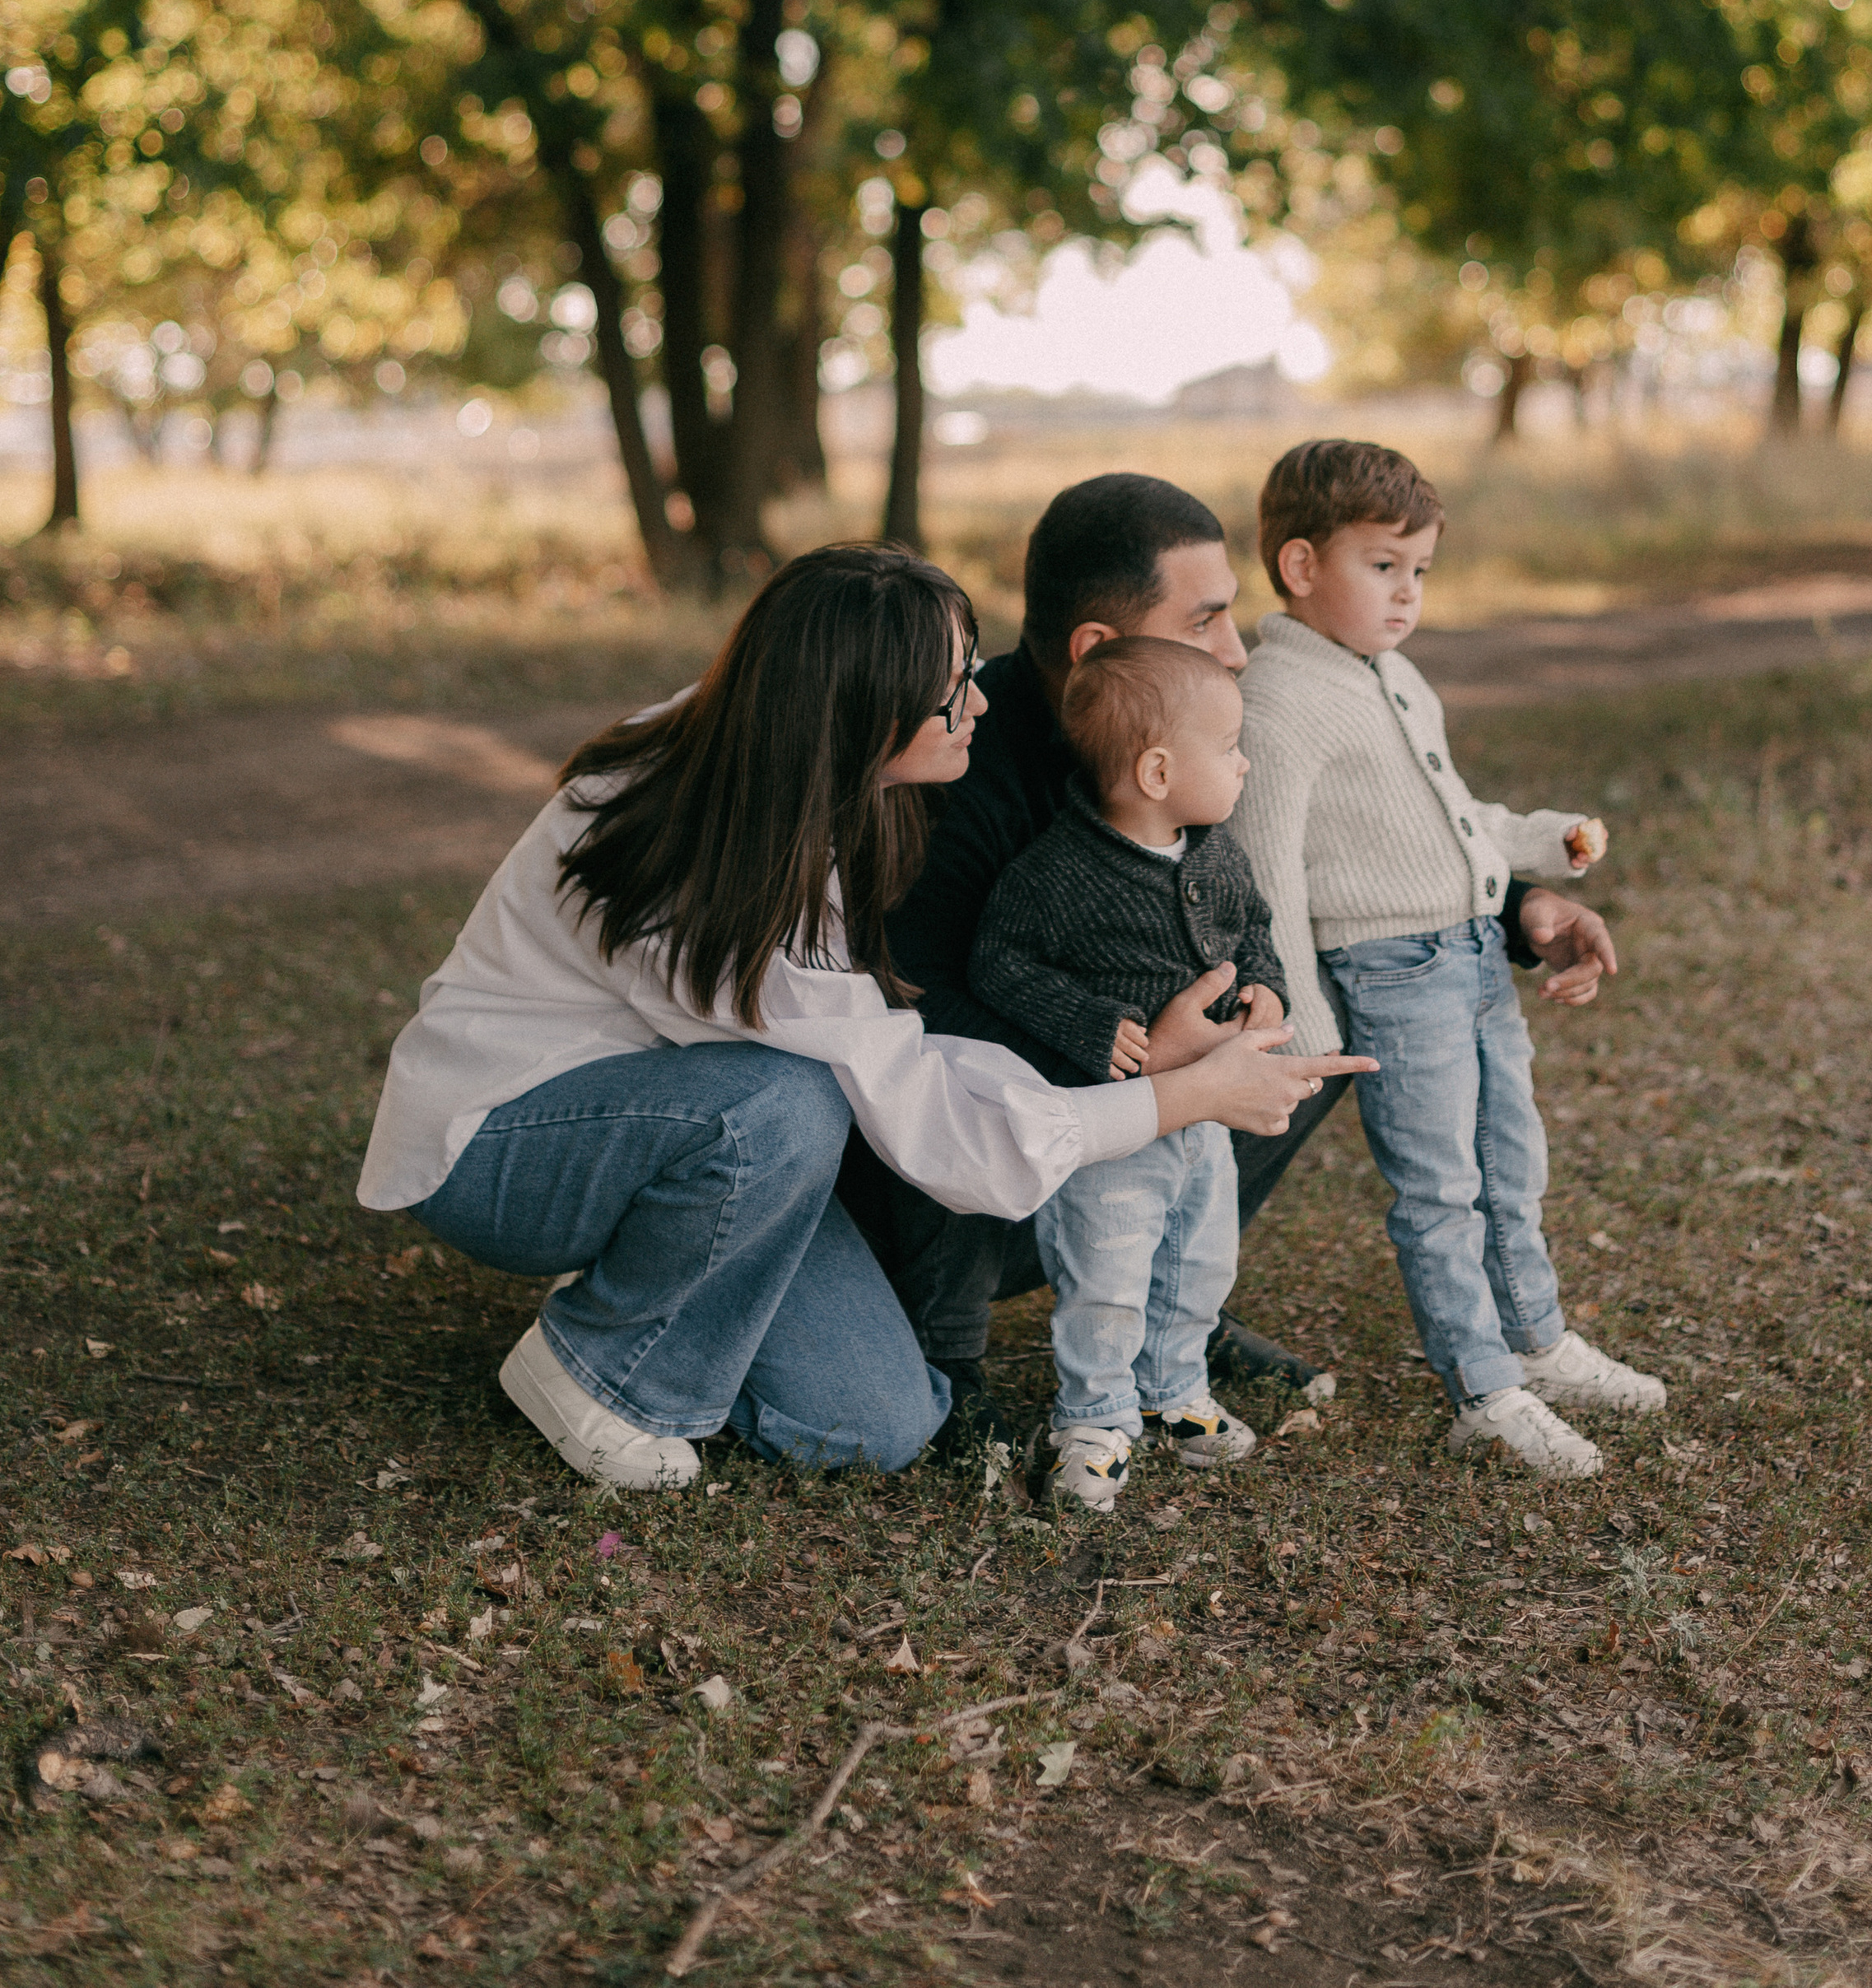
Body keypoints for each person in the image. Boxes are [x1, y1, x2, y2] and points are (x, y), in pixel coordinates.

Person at [356, 541, 1365, 1492]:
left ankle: (658, 1292)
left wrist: (1149, 1069)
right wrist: (1173, 1096)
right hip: (502, 1146)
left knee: (877, 1423)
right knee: (786, 1104)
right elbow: (923, 1116)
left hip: (683, 1129)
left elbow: (903, 1048)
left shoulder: (801, 776)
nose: (979, 703)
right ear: (860, 712)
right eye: (951, 693)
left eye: (971, 670)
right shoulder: (709, 854)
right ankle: (605, 1371)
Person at [850, 472, 1615, 1449]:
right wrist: (1134, 1058)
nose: (1236, 650)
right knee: (958, 1067)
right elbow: (919, 1013)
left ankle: (1182, 1311)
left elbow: (1337, 863)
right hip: (984, 1136)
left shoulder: (1197, 734)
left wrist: (1519, 906)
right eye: (1206, 619)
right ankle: (946, 1356)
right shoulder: (959, 771)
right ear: (1099, 649)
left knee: (1312, 1012)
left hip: (1152, 1098)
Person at [1231, 439, 1668, 1479]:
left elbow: (1447, 818)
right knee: (1440, 1190)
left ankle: (1538, 1339)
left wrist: (1539, 841)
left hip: (1470, 955)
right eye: (1383, 566)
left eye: (1419, 570)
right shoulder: (1281, 696)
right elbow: (1267, 870)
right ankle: (1484, 1388)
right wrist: (1303, 1019)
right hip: (1390, 974)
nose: (1407, 594)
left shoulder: (1393, 676)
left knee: (1512, 1163)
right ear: (1300, 566)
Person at [970, 637, 1291, 1510]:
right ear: (1156, 771)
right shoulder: (1059, 873)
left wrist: (1264, 988)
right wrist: (1090, 1022)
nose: (1243, 762)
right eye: (1227, 748)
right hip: (1115, 1125)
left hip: (1204, 1118)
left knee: (1199, 1260)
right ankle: (1094, 1416)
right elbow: (998, 961)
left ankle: (1174, 1392)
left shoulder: (1214, 851)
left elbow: (1253, 928)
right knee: (1106, 1275)